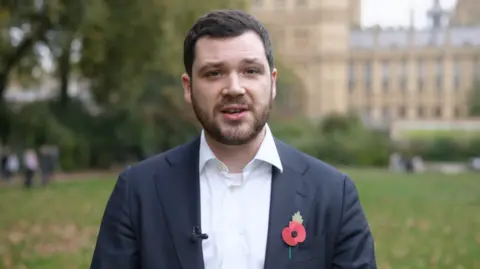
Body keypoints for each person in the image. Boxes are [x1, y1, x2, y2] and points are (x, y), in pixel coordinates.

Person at [90, 9, 377, 269]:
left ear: (272, 83)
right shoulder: (138, 192)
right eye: (214, 73)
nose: (234, 88)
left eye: (250, 71)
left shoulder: (333, 195)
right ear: (188, 88)